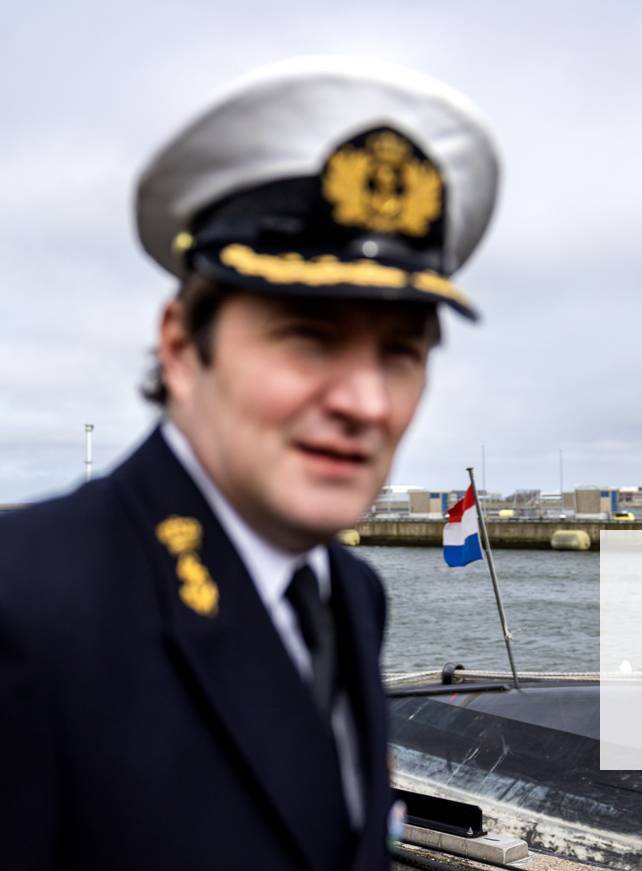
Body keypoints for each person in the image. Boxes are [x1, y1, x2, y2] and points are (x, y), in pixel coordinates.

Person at [0, 57, 499, 870]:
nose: (367, 402)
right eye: (309, 339)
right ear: (180, 346)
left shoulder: (350, 596)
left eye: (402, 352)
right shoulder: (26, 609)